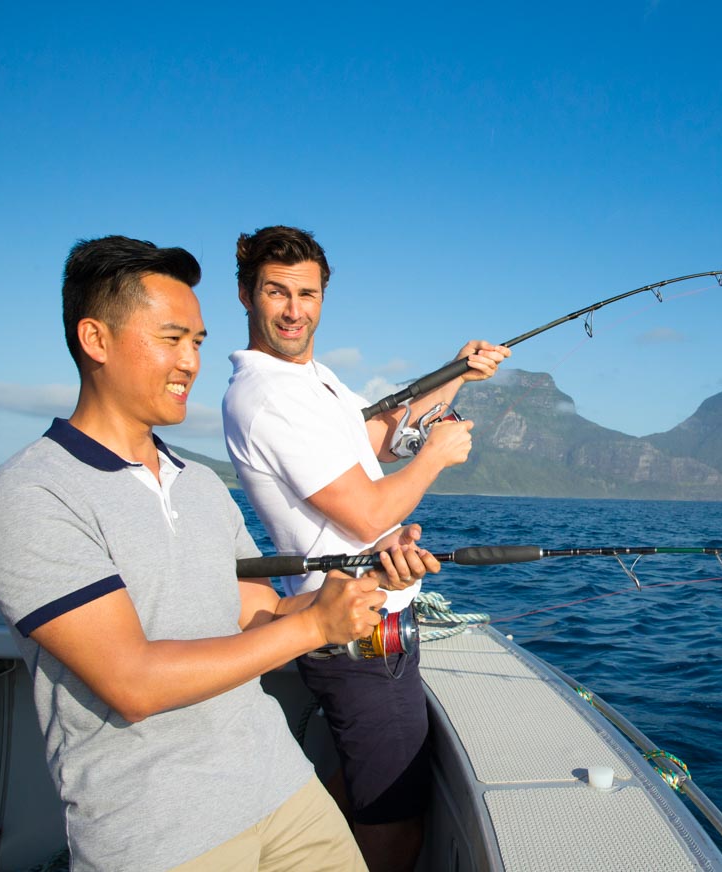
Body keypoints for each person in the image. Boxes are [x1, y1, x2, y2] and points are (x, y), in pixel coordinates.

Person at [0, 235, 439, 872]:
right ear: (95, 340)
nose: (191, 361)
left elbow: (256, 611)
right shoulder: (31, 496)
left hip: (284, 791)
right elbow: (131, 682)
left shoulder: (197, 483)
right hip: (162, 834)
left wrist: (357, 590)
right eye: (170, 339)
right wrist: (312, 624)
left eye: (196, 341)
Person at [222, 226, 510, 872]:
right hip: (360, 639)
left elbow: (376, 438)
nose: (295, 309)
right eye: (277, 292)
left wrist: (455, 376)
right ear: (246, 295)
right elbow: (370, 507)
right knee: (395, 827)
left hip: (369, 624)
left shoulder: (308, 381)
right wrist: (436, 457)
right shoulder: (268, 398)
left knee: (363, 795)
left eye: (308, 293)